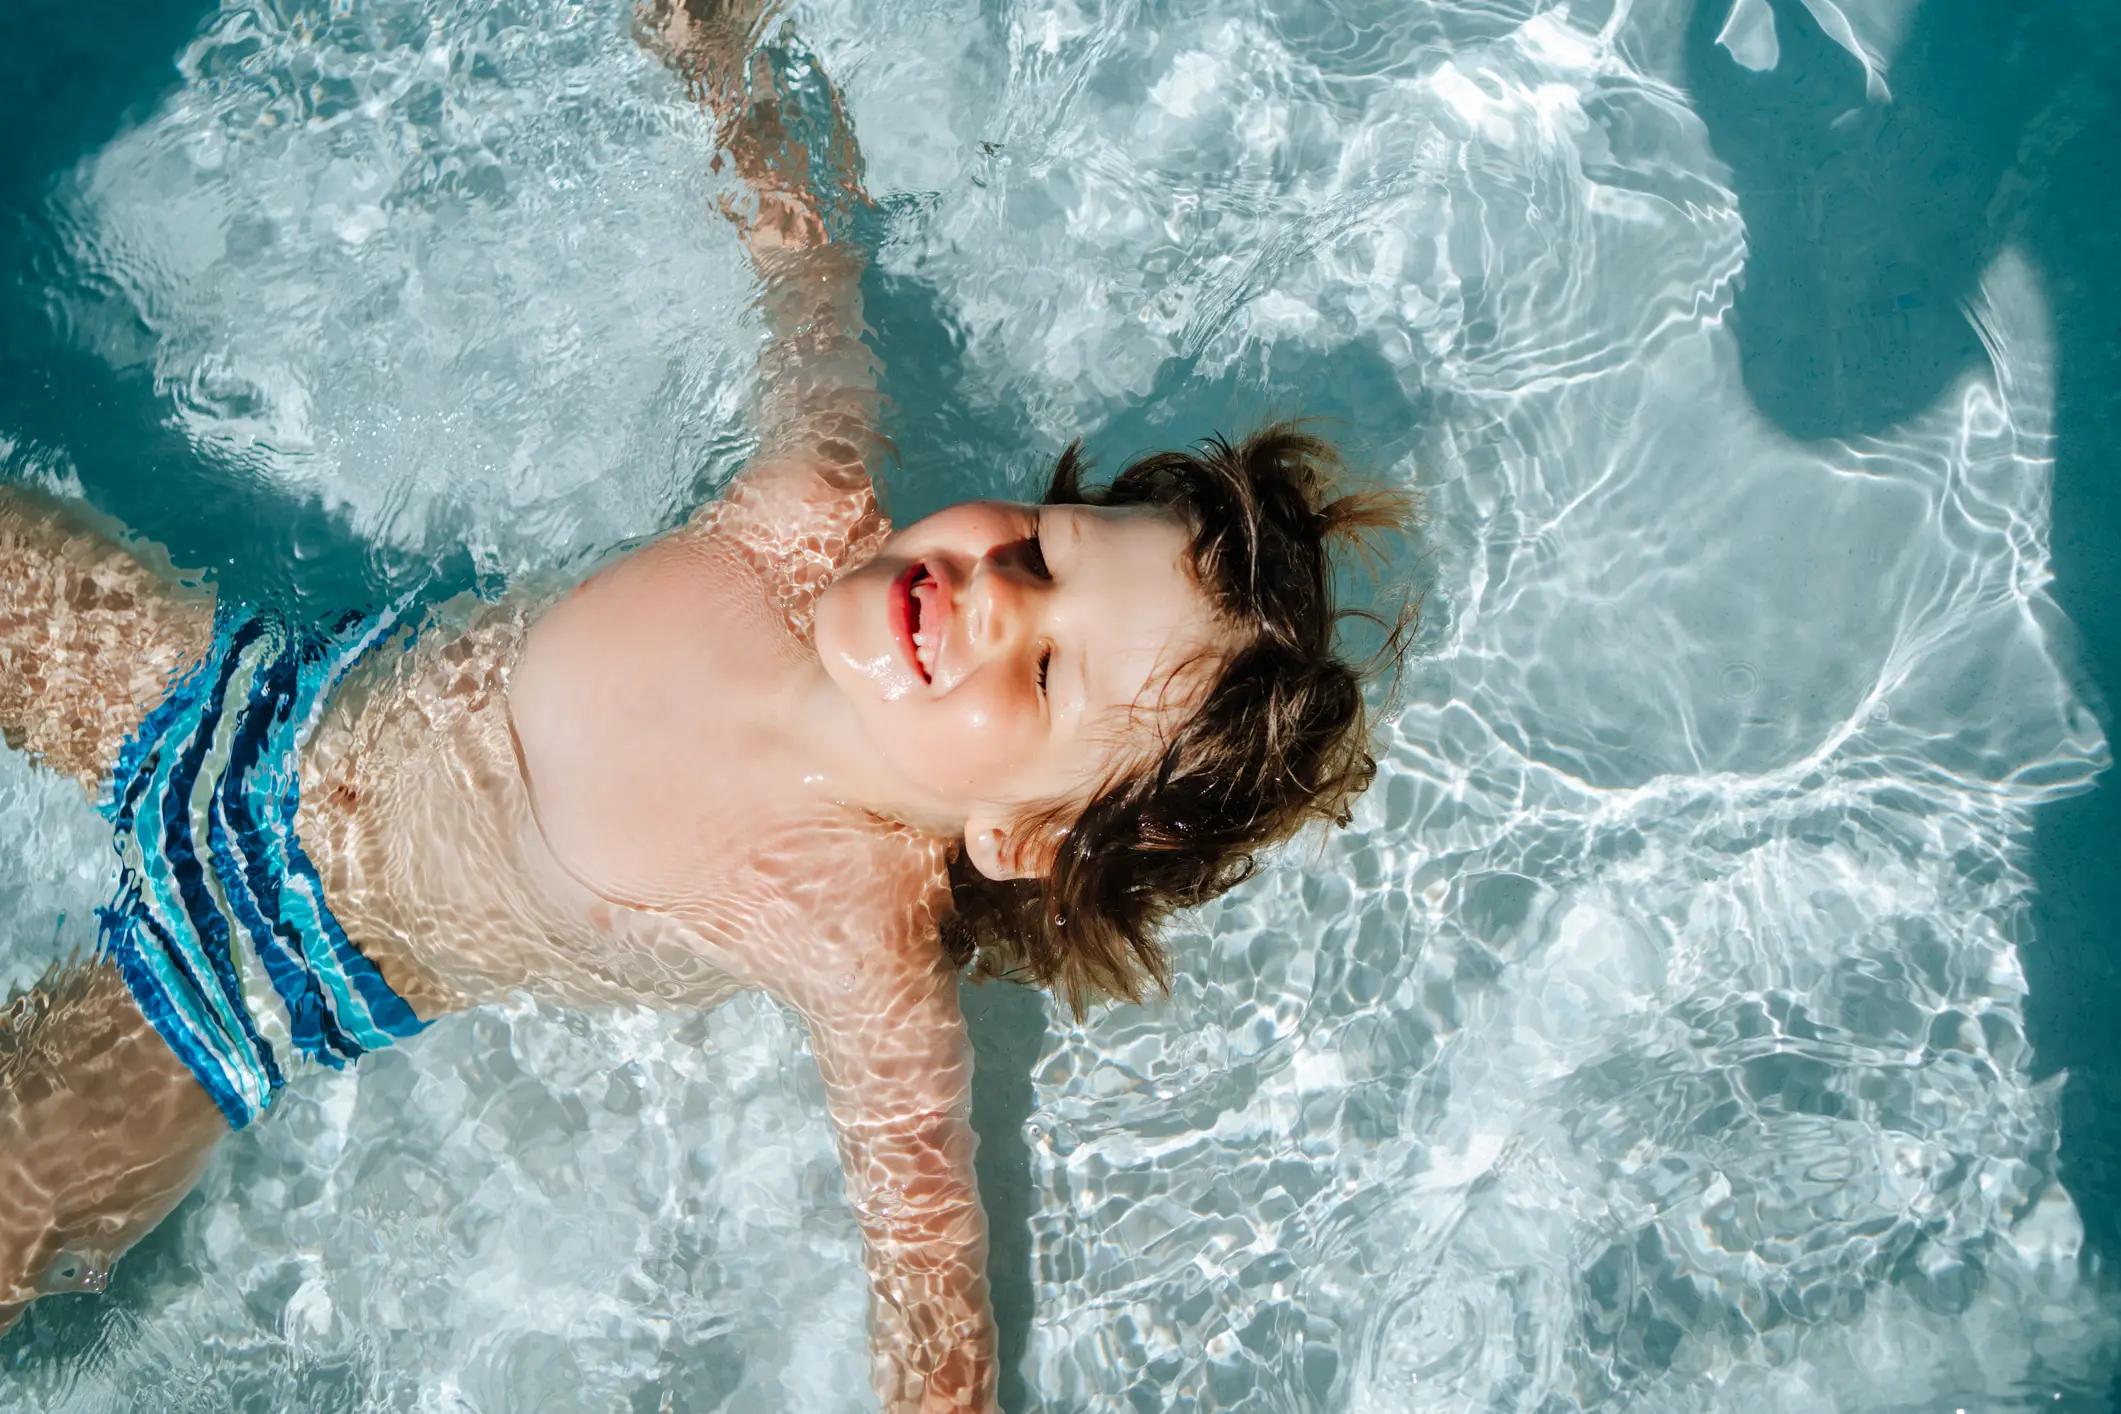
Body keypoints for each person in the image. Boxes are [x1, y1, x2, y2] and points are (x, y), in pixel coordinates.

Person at [0, 7, 1409, 1409]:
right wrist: (719, 59)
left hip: (232, 987)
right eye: (1041, 551)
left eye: (1045, 671)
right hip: (228, 698)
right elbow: (809, 271)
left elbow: (928, 1263)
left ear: (1022, 836)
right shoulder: (806, 509)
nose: (994, 595)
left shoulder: (855, 928)